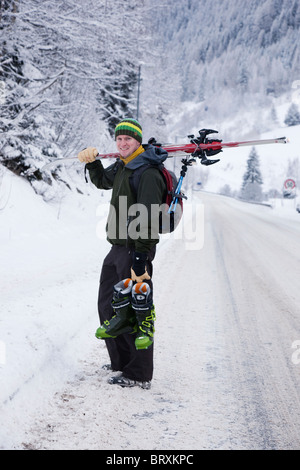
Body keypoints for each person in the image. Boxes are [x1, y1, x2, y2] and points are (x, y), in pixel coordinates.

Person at [77, 118, 168, 389]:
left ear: (138, 141)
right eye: (118, 139)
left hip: (135, 250)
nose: (122, 143)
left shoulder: (147, 172)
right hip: (117, 247)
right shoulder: (123, 165)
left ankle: (139, 373)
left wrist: (141, 258)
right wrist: (93, 163)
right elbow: (103, 181)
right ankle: (120, 361)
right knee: (107, 306)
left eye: (128, 139)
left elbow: (149, 216)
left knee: (133, 311)